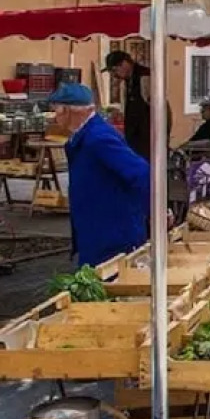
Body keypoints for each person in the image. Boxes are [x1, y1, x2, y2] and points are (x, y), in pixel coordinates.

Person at [50, 82, 150, 268]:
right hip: (98, 230)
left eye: (55, 109)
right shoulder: (85, 136)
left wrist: (154, 211)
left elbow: (141, 172)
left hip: (111, 235)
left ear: (67, 111)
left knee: (108, 289)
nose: (54, 115)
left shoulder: (97, 138)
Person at [104, 50, 152, 161]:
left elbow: (158, 107)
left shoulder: (145, 77)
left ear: (125, 63)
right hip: (134, 137)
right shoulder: (127, 81)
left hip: (147, 138)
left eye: (114, 70)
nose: (114, 75)